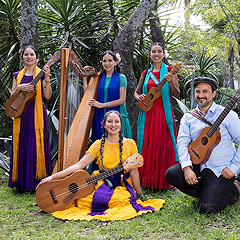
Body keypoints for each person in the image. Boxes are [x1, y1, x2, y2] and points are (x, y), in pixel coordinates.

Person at [38, 111, 164, 221]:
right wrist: (52, 178)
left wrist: (139, 193)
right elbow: (78, 166)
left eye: (116, 122)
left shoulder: (130, 144)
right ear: (104, 124)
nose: (113, 125)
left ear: (121, 124)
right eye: (110, 121)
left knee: (120, 200)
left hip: (121, 183)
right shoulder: (98, 145)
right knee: (84, 201)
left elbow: (134, 172)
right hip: (100, 182)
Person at [165, 77, 240, 213]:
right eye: (197, 91)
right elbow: (182, 143)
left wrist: (234, 168)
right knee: (171, 174)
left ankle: (234, 189)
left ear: (214, 94)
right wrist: (187, 167)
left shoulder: (228, 115)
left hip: (221, 169)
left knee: (206, 208)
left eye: (205, 91)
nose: (201, 95)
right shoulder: (189, 117)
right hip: (198, 165)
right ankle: (211, 192)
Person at [134, 42, 180, 190]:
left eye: (159, 51)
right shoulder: (145, 73)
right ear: (150, 54)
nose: (156, 54)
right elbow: (137, 91)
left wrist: (171, 81)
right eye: (153, 51)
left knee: (163, 144)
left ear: (163, 54)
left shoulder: (171, 71)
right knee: (148, 143)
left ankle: (167, 180)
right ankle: (147, 180)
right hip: (147, 113)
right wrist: (139, 97)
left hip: (163, 114)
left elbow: (177, 94)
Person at [8, 46, 52, 191]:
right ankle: (21, 182)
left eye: (31, 54)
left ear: (36, 58)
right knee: (22, 143)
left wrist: (48, 78)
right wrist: (20, 87)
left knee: (35, 143)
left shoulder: (41, 74)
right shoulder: (17, 75)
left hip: (36, 114)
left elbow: (47, 96)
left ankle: (37, 182)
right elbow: (12, 97)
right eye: (26, 54)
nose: (29, 57)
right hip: (21, 114)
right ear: (23, 58)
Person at [84, 50, 132, 172]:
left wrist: (102, 105)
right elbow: (88, 96)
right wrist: (84, 78)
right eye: (104, 61)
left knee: (117, 145)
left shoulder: (121, 78)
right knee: (99, 144)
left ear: (116, 62)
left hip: (116, 116)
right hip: (100, 117)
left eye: (110, 60)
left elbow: (122, 100)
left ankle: (118, 174)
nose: (107, 63)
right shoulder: (98, 78)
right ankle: (98, 173)